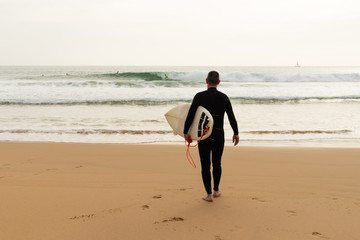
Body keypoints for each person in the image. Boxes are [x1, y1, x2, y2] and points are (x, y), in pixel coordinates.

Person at [184, 71, 239, 202]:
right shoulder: (224, 97)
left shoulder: (199, 96)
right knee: (217, 163)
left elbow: (191, 115)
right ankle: (216, 190)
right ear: (218, 82)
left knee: (205, 165)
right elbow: (231, 116)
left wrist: (186, 131)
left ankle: (208, 195)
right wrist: (236, 132)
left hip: (204, 134)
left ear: (206, 81)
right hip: (219, 134)